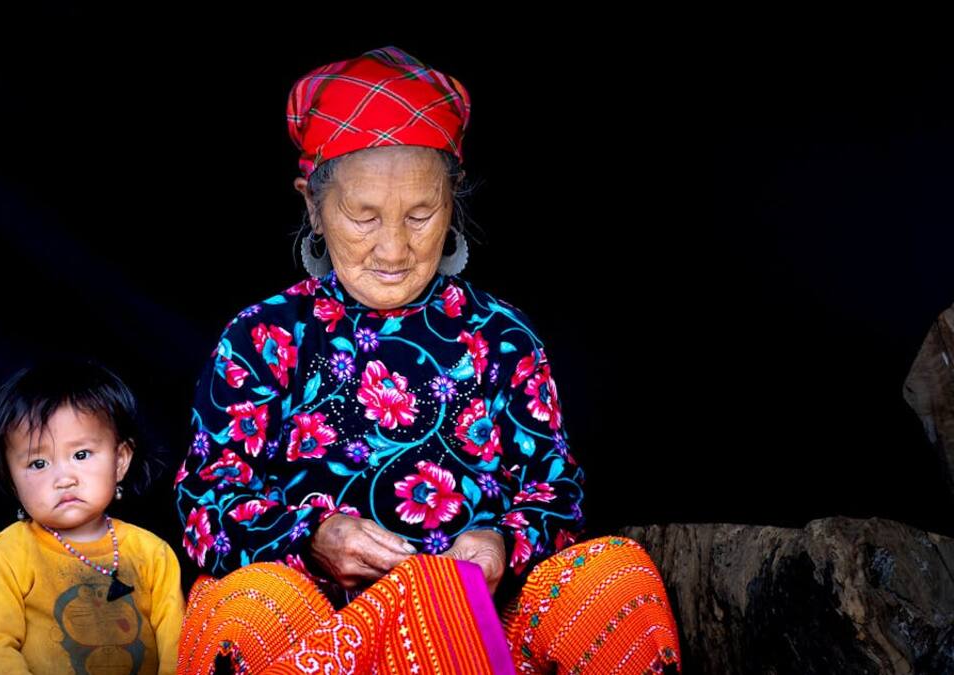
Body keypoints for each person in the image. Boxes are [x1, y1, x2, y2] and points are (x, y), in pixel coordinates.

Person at [174, 47, 681, 674]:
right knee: (244, 610)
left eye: (421, 214)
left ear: (453, 198)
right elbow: (205, 498)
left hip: (486, 627)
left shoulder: (500, 335)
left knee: (617, 577)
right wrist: (311, 539)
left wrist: (503, 542)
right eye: (363, 217)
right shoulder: (265, 337)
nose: (393, 247)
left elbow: (556, 489)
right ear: (312, 204)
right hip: (319, 634)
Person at [0, 361, 184, 674]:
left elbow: (177, 647)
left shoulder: (152, 553)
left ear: (120, 461)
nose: (64, 478)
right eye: (38, 463)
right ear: (12, 480)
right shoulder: (8, 555)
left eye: (81, 455)